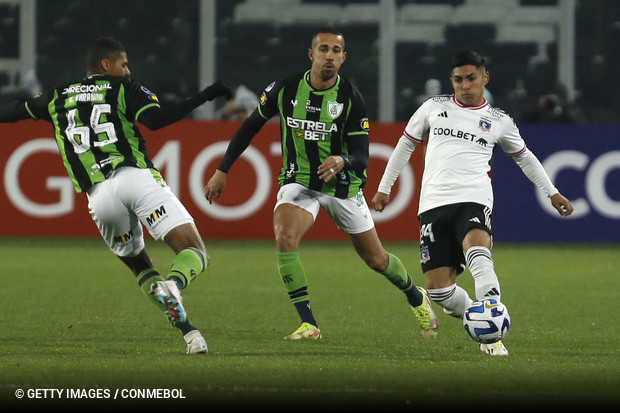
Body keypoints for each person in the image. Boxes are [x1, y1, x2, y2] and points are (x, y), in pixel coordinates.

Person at [204, 26, 438, 340]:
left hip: (342, 187)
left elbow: (362, 155)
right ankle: (309, 324)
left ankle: (415, 296)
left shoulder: (351, 98)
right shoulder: (285, 89)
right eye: (324, 49)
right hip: (299, 181)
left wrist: (343, 160)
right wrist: (223, 169)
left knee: (377, 259)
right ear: (311, 54)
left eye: (336, 51)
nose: (330, 56)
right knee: (285, 236)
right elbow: (250, 127)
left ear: (343, 58)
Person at [0, 37, 232, 354]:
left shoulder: (57, 96)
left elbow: (12, 112)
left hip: (99, 197)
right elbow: (157, 119)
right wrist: (205, 96)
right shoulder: (124, 88)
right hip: (134, 177)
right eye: (123, 63)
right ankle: (175, 285)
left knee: (140, 267)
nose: (128, 69)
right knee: (195, 252)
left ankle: (191, 336)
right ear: (106, 65)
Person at [372, 50, 574, 356]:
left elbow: (525, 158)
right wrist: (385, 187)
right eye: (458, 80)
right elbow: (404, 145)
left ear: (484, 78)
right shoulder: (432, 107)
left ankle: (492, 337)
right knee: (440, 290)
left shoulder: (498, 121)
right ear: (451, 81)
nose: (465, 85)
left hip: (474, 198)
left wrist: (552, 191)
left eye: (471, 78)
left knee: (479, 252)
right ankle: (480, 322)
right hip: (433, 204)